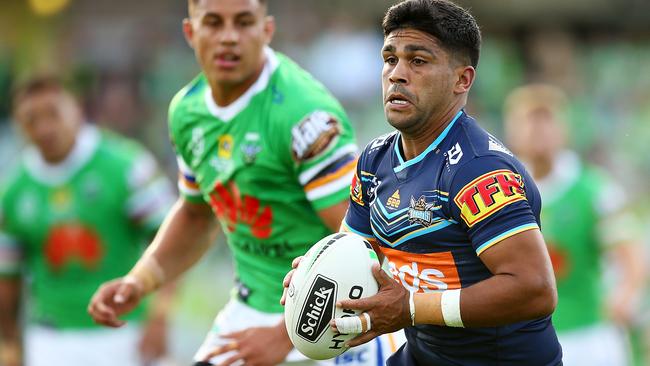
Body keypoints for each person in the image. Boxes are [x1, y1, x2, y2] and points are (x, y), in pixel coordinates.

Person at [88, 0, 403, 365]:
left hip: (335, 319)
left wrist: (286, 335)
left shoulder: (303, 114)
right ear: (191, 33)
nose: (229, 38)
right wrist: (139, 281)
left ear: (266, 31)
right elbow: (196, 214)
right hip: (251, 311)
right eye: (214, 23)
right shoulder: (187, 112)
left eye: (243, 22)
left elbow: (363, 245)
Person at [279, 0, 563, 365]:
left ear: (463, 80)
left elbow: (535, 290)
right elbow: (355, 257)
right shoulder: (374, 161)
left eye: (418, 61)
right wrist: (317, 277)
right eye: (389, 58)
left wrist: (410, 307)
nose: (396, 73)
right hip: (424, 355)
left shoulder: (479, 170)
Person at [0, 76, 176, 366]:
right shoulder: (14, 191)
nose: (43, 127)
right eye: (31, 119)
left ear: (77, 110)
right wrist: (9, 341)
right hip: (50, 338)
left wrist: (160, 315)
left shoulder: (126, 166)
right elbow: (7, 276)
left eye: (53, 114)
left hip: (125, 331)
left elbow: (173, 240)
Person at [503, 83, 646, 366]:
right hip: (528, 338)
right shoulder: (503, 191)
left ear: (564, 129)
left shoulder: (594, 191)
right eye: (529, 121)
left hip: (588, 338)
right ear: (512, 130)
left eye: (546, 121)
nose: (538, 130)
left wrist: (624, 297)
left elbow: (630, 255)